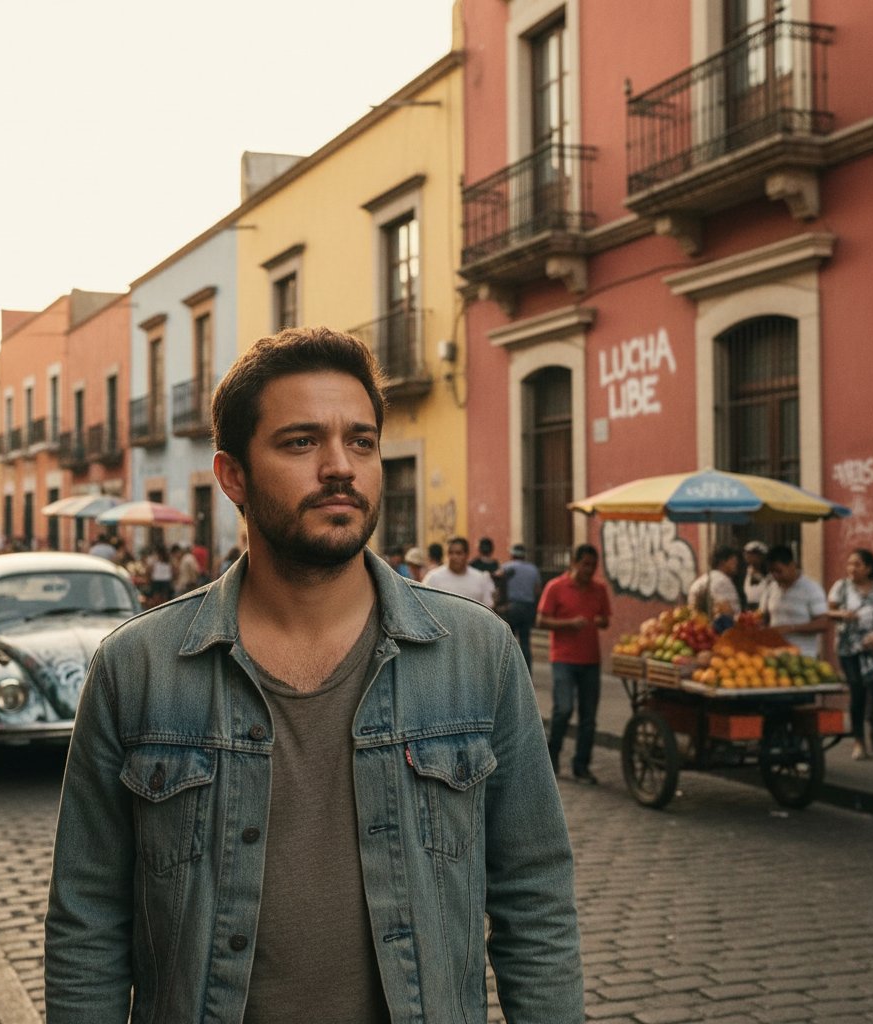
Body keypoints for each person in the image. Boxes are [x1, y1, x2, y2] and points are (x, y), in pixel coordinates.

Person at [44, 326, 582, 1023]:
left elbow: (534, 895)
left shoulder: (477, 654)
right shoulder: (137, 669)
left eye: (361, 441)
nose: (340, 467)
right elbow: (88, 922)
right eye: (301, 442)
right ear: (233, 475)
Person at [536, 543, 611, 785]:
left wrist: (600, 621)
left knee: (589, 717)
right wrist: (568, 624)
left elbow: (605, 620)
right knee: (564, 709)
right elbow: (541, 621)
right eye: (585, 564)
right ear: (574, 563)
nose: (589, 570)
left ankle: (582, 766)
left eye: (593, 566)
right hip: (563, 659)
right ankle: (552, 756)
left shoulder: (599, 589)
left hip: (591, 660)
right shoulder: (555, 587)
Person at [827, 548, 873, 759]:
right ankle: (859, 742)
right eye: (850, 564)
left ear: (869, 568)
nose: (851, 568)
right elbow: (827, 611)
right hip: (849, 649)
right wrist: (841, 613)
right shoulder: (841, 588)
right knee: (858, 693)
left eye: (857, 564)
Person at [760, 544, 829, 658]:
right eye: (772, 572)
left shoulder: (811, 588)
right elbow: (764, 618)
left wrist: (791, 628)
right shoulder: (771, 588)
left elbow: (823, 624)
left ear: (792, 565)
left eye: (778, 571)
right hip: (774, 654)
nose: (775, 576)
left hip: (804, 655)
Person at [499, 543, 543, 671]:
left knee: (509, 642)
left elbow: (500, 589)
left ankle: (510, 671)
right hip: (527, 607)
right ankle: (527, 672)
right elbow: (537, 590)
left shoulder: (505, 567)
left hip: (510, 607)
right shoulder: (533, 569)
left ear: (512, 554)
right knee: (525, 642)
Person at [422, 536, 496, 607]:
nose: (454, 557)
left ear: (467, 555)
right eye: (451, 553)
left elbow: (488, 607)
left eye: (458, 553)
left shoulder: (480, 579)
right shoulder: (433, 578)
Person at [687, 544, 741, 625]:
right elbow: (728, 612)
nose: (736, 565)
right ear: (723, 562)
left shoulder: (699, 581)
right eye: (733, 561)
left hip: (697, 630)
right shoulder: (722, 581)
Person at [742, 540, 770, 610]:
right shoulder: (747, 571)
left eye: (752, 555)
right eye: (747, 554)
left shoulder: (770, 573)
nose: (748, 557)